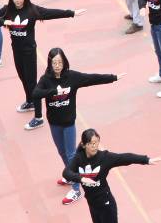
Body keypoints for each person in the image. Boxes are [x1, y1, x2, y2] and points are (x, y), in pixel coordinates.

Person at [32, 49, 120, 205]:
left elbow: (91, 78)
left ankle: (76, 188)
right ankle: (70, 176)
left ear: (64, 62)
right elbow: (36, 94)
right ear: (50, 63)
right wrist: (53, 91)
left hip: (68, 124)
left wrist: (112, 77)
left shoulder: (72, 77)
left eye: (60, 62)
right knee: (61, 152)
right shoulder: (46, 79)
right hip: (54, 123)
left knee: (71, 154)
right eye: (54, 63)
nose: (57, 65)